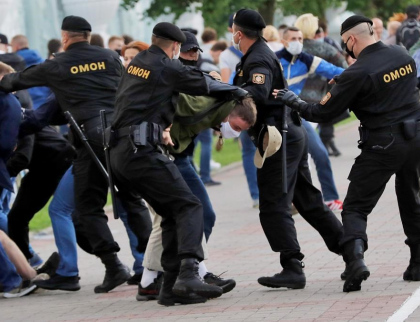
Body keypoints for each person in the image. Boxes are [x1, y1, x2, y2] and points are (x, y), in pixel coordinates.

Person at [276, 15, 420, 293]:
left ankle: (355, 262)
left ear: (351, 39)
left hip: (382, 143)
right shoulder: (402, 54)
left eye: (346, 44)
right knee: (411, 198)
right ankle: (417, 263)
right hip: (414, 138)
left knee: (355, 207)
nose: (346, 50)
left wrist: (293, 101)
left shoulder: (356, 73)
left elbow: (322, 113)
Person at [109, 22, 247, 305]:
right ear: (174, 46)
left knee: (172, 213)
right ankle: (188, 273)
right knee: (190, 205)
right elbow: (204, 84)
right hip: (141, 151)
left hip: (121, 153)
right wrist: (237, 92)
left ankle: (169, 288)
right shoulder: (166, 67)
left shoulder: (137, 63)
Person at [0, 15, 132, 294]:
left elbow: (17, 81)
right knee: (131, 202)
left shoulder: (59, 64)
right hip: (122, 136)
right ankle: (145, 267)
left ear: (64, 37)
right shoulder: (110, 57)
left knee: (83, 208)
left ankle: (108, 266)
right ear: (88, 34)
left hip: (88, 142)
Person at [231, 8, 343, 290]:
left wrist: (226, 92)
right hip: (289, 132)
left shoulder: (257, 58)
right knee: (307, 200)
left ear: (238, 33)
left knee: (273, 203)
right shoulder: (261, 52)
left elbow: (256, 92)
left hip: (277, 136)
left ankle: (292, 266)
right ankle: (351, 249)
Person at [276, 26, 345, 210]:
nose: (297, 42)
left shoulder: (307, 60)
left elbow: (336, 70)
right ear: (283, 41)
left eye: (300, 38)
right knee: (279, 160)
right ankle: (280, 201)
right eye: (293, 38)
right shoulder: (273, 60)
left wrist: (342, 77)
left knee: (320, 153)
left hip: (294, 114)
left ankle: (331, 198)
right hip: (272, 116)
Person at [10, 35, 50, 109]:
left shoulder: (14, 65)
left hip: (25, 109)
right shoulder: (45, 63)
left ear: (16, 47)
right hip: (45, 108)